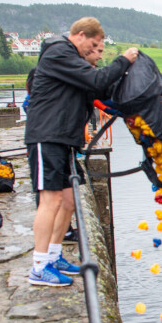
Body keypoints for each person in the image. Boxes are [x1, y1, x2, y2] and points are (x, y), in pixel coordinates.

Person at [26, 17, 137, 286]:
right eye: (94, 44)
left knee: (68, 201)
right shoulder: (59, 53)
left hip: (65, 140)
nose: (95, 51)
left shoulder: (72, 60)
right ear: (81, 35)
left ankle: (54, 256)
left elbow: (101, 91)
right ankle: (39, 267)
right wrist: (124, 60)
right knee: (50, 200)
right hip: (47, 136)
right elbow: (97, 80)